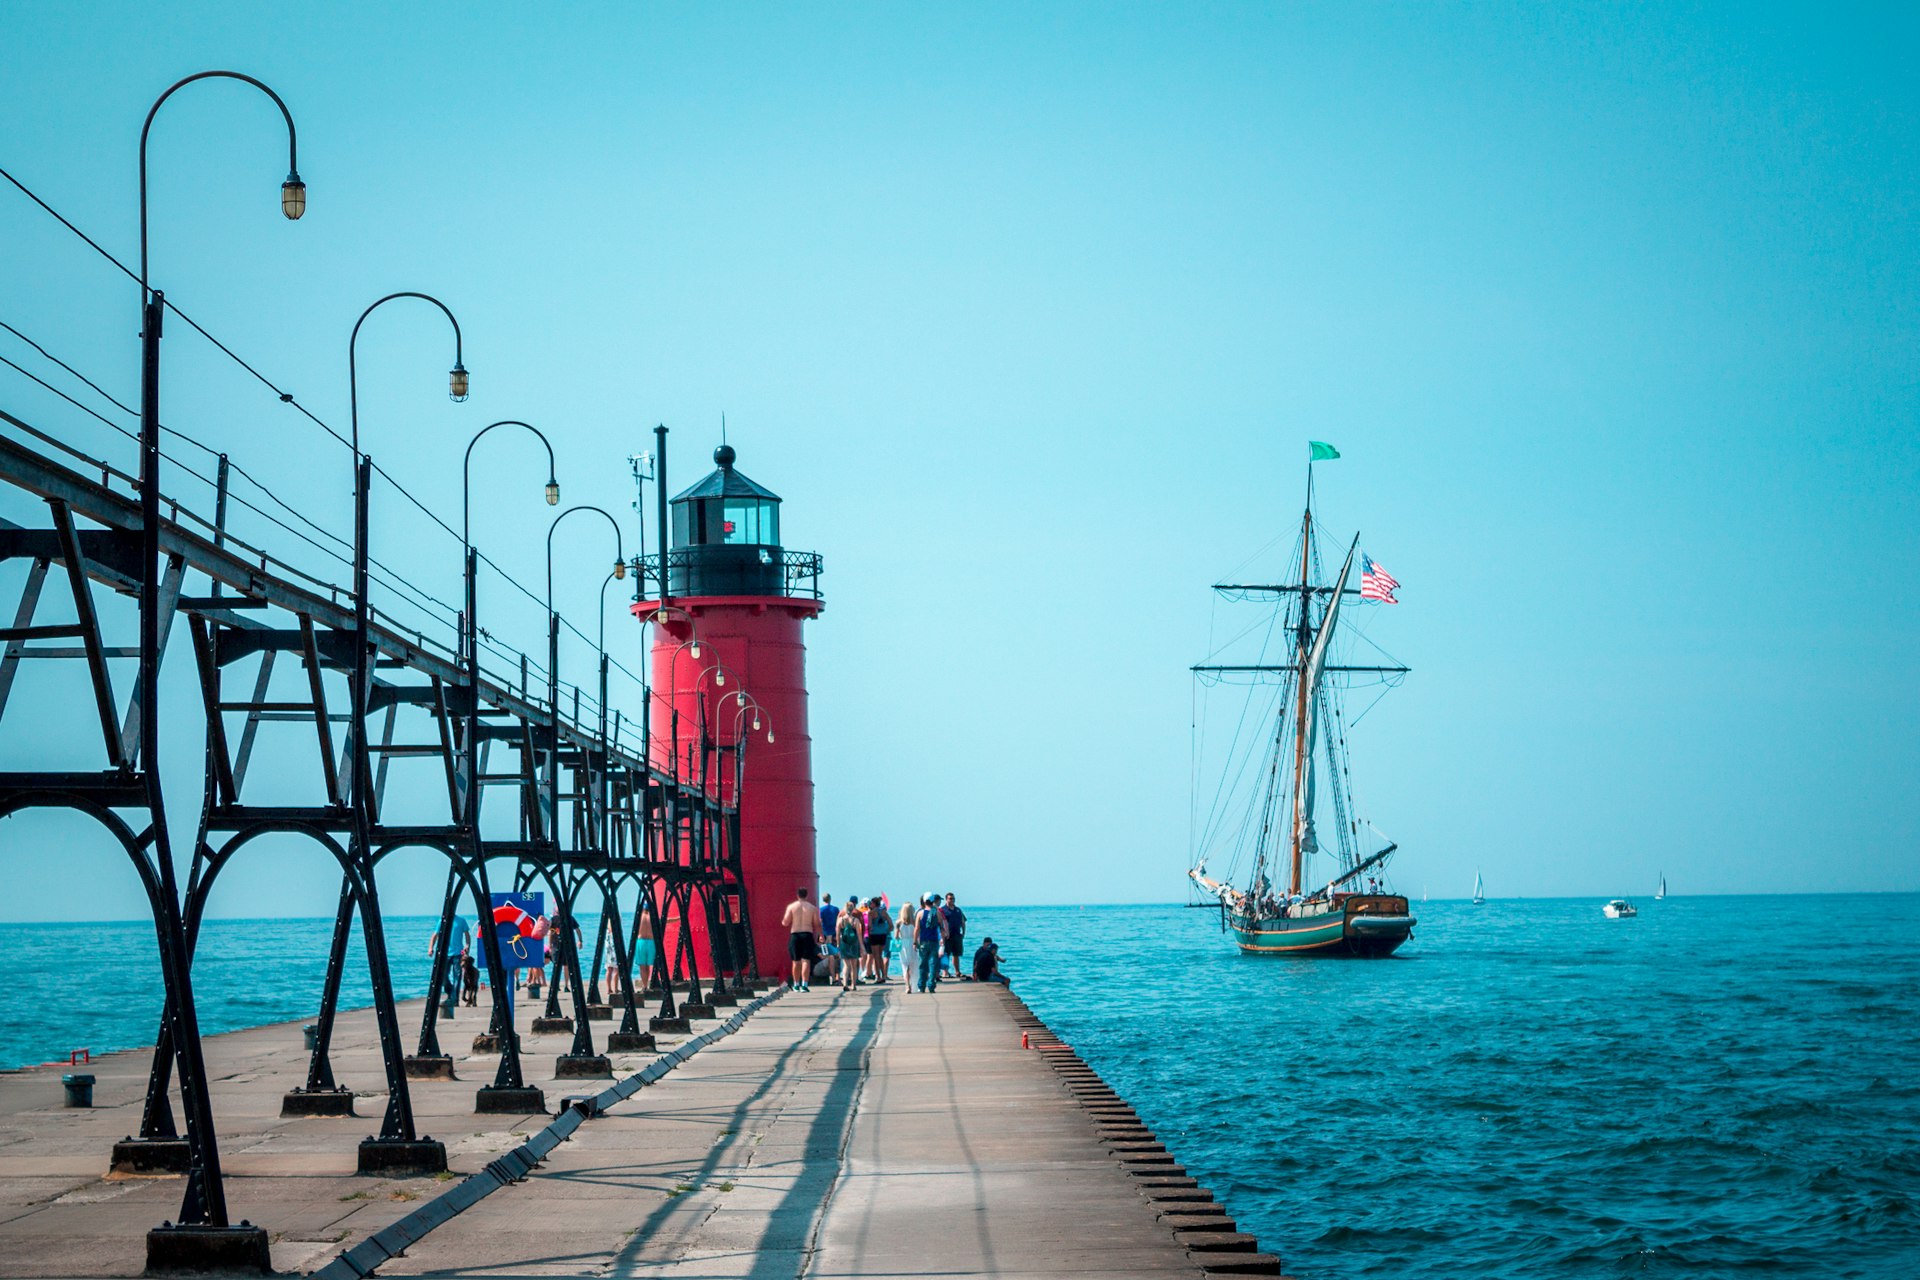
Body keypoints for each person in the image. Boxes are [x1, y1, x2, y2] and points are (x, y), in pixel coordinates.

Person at [781, 886, 821, 991]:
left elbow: (785, 922)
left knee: (795, 961)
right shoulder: (812, 908)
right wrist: (821, 935)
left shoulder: (791, 907)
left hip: (795, 934)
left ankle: (796, 984)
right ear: (806, 895)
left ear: (797, 895)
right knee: (806, 961)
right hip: (807, 934)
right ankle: (805, 985)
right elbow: (817, 923)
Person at [914, 894, 943, 992]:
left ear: (924, 901)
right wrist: (942, 939)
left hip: (923, 941)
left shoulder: (920, 913)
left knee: (923, 964)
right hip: (934, 941)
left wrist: (915, 942)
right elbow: (941, 926)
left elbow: (917, 929)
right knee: (933, 964)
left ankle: (921, 986)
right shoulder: (937, 913)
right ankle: (931, 985)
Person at [864, 896, 892, 983]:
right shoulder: (884, 912)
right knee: (880, 955)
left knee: (876, 957)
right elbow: (891, 924)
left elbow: (869, 926)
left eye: (871, 903)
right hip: (883, 935)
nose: (870, 904)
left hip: (874, 935)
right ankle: (884, 975)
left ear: (874, 904)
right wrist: (885, 930)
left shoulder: (871, 913)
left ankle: (878, 977)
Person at [836, 905, 864, 990]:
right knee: (854, 966)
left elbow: (837, 934)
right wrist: (861, 946)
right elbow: (859, 935)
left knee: (846, 965)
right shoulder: (856, 921)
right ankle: (853, 984)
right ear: (852, 910)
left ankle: (845, 984)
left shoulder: (840, 920)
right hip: (854, 944)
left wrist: (838, 944)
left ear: (845, 909)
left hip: (844, 943)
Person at [940, 893, 967, 979]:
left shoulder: (958, 910)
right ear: (946, 899)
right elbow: (940, 923)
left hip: (957, 935)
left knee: (956, 954)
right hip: (947, 936)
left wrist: (963, 933)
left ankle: (957, 971)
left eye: (953, 898)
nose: (952, 900)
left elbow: (963, 922)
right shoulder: (942, 910)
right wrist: (942, 935)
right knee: (946, 954)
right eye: (950, 899)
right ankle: (945, 972)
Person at [896, 898, 919, 993]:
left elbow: (896, 936)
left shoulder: (899, 923)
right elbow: (917, 934)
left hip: (903, 945)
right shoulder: (914, 922)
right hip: (912, 943)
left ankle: (907, 986)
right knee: (913, 965)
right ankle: (913, 984)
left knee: (905, 966)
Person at [819, 894, 841, 985]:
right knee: (837, 956)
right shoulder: (835, 909)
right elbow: (838, 921)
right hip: (834, 935)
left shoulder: (821, 910)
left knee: (828, 957)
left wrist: (820, 935)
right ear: (830, 899)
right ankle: (837, 977)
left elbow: (820, 922)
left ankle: (832, 977)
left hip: (825, 936)